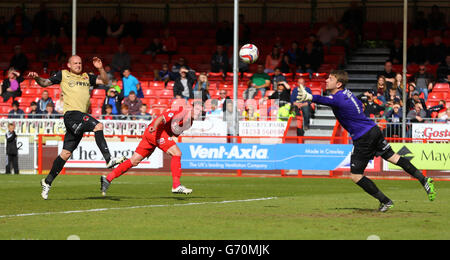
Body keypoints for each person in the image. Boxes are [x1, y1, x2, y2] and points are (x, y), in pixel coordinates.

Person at [296, 70, 436, 212]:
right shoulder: (347, 93)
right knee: (394, 158)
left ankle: (385, 201)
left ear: (338, 84)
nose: (326, 80)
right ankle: (424, 180)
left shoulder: (338, 97)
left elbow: (326, 100)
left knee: (356, 175)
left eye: (330, 78)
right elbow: (359, 105)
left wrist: (310, 96)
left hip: (363, 137)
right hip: (373, 130)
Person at [28, 55, 126, 200]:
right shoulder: (63, 74)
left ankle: (47, 181)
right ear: (69, 64)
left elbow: (106, 81)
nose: (78, 65)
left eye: (80, 63)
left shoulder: (87, 77)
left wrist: (100, 68)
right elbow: (44, 83)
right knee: (98, 125)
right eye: (75, 63)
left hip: (81, 116)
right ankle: (109, 159)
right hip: (71, 115)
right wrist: (36, 78)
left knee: (66, 154)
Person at [100, 106, 197, 196]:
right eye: (196, 110)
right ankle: (176, 185)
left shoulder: (189, 123)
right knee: (177, 153)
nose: (198, 113)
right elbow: (160, 118)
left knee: (134, 160)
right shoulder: (179, 113)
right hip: (155, 131)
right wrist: (154, 127)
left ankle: (108, 178)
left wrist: (155, 144)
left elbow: (172, 134)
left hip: (154, 135)